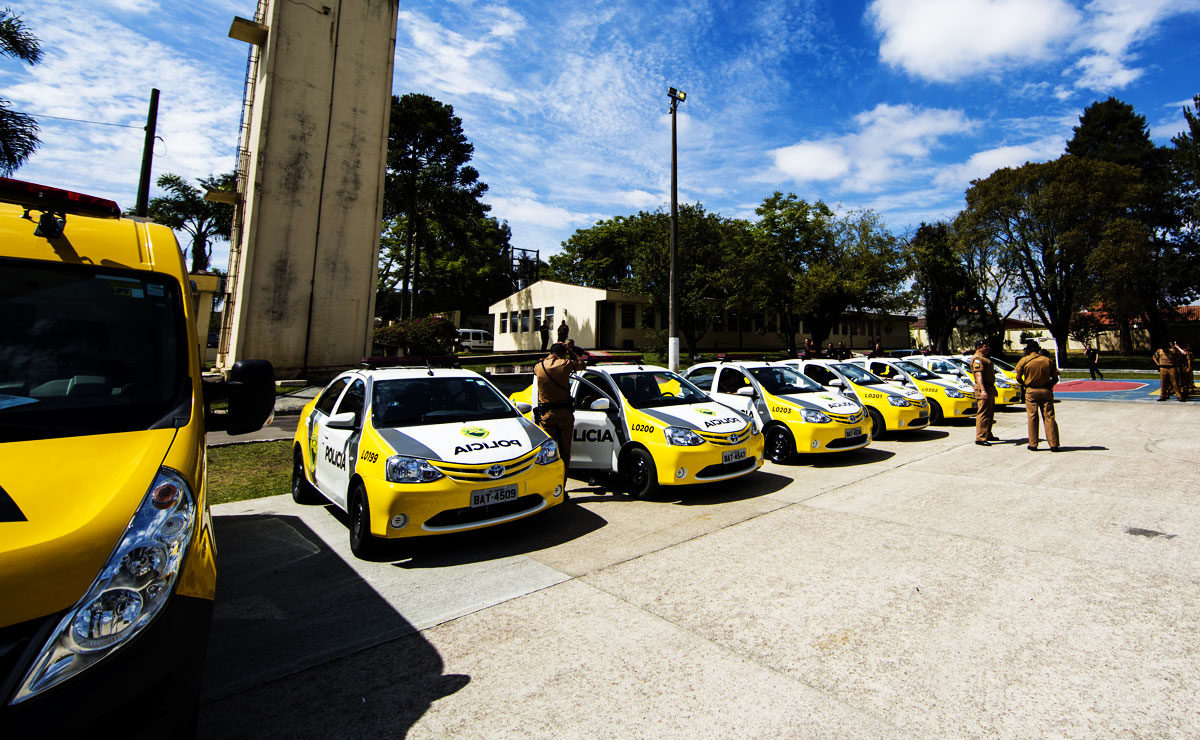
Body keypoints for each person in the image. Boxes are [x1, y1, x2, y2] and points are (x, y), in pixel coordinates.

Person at [534, 342, 586, 489]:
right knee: (564, 454)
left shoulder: (538, 366)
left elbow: (546, 360)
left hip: (546, 416)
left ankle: (546, 487)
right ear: (563, 353)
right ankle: (561, 488)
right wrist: (571, 351)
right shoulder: (566, 364)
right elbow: (582, 364)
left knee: (546, 454)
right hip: (564, 415)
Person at [1013, 340, 1060, 451]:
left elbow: (1018, 377)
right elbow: (1055, 378)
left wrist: (1025, 385)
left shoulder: (1024, 361)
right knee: (1049, 417)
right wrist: (1049, 385)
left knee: (1032, 417)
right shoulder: (1048, 360)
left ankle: (1033, 444)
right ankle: (1053, 444)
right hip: (1046, 390)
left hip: (1031, 391)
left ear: (1029, 350)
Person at [970, 339, 998, 445]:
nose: (988, 348)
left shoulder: (985, 358)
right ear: (979, 348)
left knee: (990, 412)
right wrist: (983, 390)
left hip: (989, 387)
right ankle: (980, 437)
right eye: (985, 346)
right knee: (983, 413)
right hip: (983, 387)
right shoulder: (977, 359)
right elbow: (979, 376)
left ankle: (988, 433)